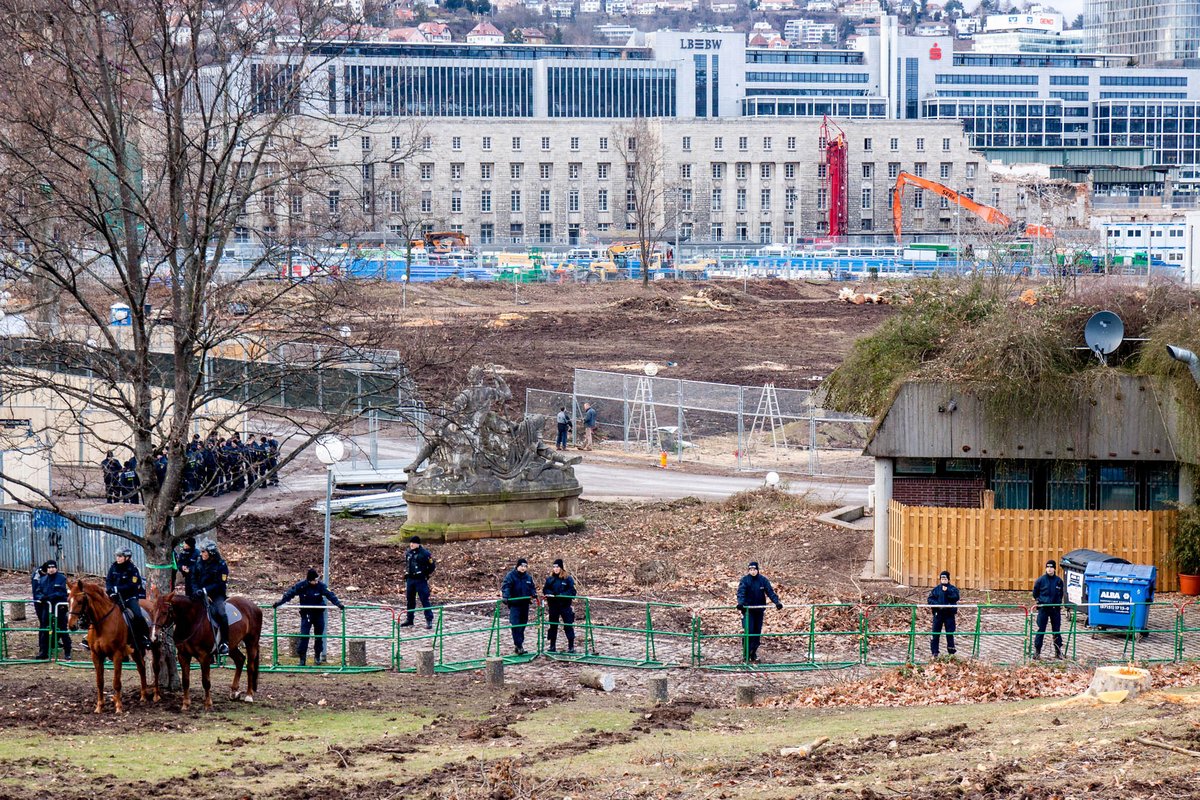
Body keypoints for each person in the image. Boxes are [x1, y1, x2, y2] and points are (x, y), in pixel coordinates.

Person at [273, 569, 345, 667]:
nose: (316, 582)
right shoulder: (301, 586)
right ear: (309, 580)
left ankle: (317, 657)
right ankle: (302, 659)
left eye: (317, 580)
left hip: (318, 614)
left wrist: (338, 604)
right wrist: (279, 603)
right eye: (315, 580)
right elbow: (289, 594)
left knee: (319, 637)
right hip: (306, 614)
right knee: (304, 636)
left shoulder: (321, 586)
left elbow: (330, 595)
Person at [736, 561, 783, 663]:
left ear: (757, 570)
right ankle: (746, 654)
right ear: (749, 570)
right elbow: (741, 592)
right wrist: (741, 603)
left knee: (757, 633)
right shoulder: (745, 580)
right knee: (749, 631)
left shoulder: (763, 580)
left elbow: (770, 592)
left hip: (759, 610)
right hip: (748, 611)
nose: (752, 571)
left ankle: (753, 653)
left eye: (754, 569)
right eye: (751, 570)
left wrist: (777, 602)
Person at [105, 547, 151, 651]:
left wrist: (118, 588)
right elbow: (108, 580)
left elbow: (133, 584)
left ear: (127, 557)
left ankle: (144, 638)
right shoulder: (113, 567)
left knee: (138, 615)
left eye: (120, 556)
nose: (118, 558)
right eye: (117, 556)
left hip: (129, 598)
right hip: (115, 597)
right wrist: (110, 591)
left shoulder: (132, 569)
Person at [193, 540, 231, 655]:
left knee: (222, 614)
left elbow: (220, 583)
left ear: (211, 553)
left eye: (203, 552)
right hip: (199, 594)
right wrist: (196, 590)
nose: (201, 554)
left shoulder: (221, 565)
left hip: (216, 595)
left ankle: (224, 642)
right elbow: (193, 579)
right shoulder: (199, 562)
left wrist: (205, 591)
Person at [32, 560, 71, 660]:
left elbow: (62, 593)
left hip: (59, 608)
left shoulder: (61, 578)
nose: (51, 569)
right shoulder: (43, 579)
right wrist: (41, 597)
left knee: (62, 629)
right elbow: (37, 592)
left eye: (53, 567)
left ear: (56, 568)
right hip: (47, 608)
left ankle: (67, 651)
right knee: (45, 628)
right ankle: (43, 652)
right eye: (49, 568)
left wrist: (49, 597)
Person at [501, 558, 537, 655]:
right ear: (517, 566)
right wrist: (506, 596)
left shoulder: (528, 578)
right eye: (521, 566)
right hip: (515, 604)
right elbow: (506, 587)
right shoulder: (511, 576)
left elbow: (532, 587)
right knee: (515, 624)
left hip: (525, 604)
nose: (523, 568)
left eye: (525, 566)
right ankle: (519, 645)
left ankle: (519, 644)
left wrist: (533, 593)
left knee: (523, 624)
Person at [1032, 559, 1065, 659]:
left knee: (1056, 630)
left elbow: (1061, 594)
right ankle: (1037, 652)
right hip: (1043, 608)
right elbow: (1035, 593)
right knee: (1041, 629)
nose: (1049, 569)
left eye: (1051, 567)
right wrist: (1039, 601)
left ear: (1054, 569)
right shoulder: (1041, 580)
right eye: (1048, 567)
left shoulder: (1058, 581)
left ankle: (1058, 651)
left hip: (1055, 609)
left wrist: (1058, 603)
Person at [542, 558, 577, 654]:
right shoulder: (550, 579)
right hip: (553, 606)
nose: (555, 569)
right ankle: (552, 646)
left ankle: (571, 646)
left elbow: (573, 591)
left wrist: (562, 594)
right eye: (554, 567)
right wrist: (551, 593)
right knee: (553, 626)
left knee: (568, 625)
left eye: (557, 567)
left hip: (565, 606)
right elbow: (545, 589)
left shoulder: (568, 579)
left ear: (561, 568)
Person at [400, 536, 436, 629]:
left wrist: (425, 574)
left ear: (418, 544)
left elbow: (432, 566)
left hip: (420, 580)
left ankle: (429, 620)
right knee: (410, 600)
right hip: (410, 579)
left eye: (413, 543)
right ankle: (409, 619)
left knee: (424, 599)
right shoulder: (409, 553)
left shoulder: (425, 554)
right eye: (410, 543)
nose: (411, 545)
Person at [927, 570, 960, 658]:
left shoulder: (952, 589)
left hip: (949, 614)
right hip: (938, 614)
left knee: (949, 633)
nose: (943, 580)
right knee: (935, 633)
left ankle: (951, 651)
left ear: (948, 579)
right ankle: (934, 652)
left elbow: (956, 597)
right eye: (942, 578)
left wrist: (947, 592)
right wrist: (937, 605)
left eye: (945, 578)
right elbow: (930, 599)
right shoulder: (936, 589)